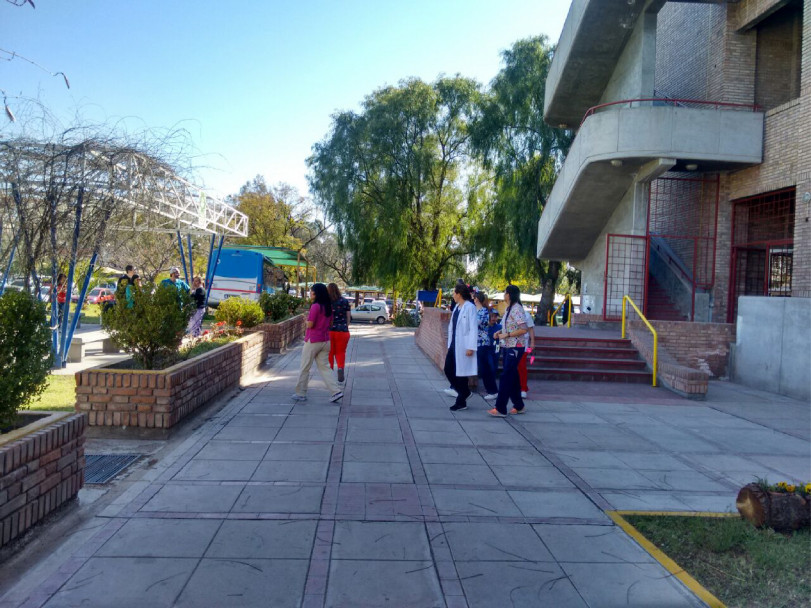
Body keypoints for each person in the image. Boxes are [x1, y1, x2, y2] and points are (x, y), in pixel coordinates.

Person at [293, 283, 344, 403]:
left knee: (305, 366)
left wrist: (306, 321)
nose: (310, 294)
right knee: (325, 368)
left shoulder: (315, 306)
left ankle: (301, 393)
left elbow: (311, 324)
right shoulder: (328, 306)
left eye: (312, 292)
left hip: (313, 341)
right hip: (325, 341)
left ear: (317, 293)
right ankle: (336, 391)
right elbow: (331, 324)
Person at [489, 284, 529, 417]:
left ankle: (500, 408)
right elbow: (509, 327)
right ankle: (519, 405)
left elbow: (524, 329)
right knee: (512, 376)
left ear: (510, 295)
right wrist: (500, 332)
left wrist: (507, 335)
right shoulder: (509, 309)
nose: (503, 295)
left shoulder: (517, 309)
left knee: (506, 376)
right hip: (507, 346)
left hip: (515, 347)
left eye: (505, 293)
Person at [444, 283, 478, 412]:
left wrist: (470, 347)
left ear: (459, 294)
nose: (453, 295)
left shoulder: (470, 308)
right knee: (448, 369)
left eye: (454, 293)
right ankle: (465, 392)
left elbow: (473, 328)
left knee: (461, 374)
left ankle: (461, 401)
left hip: (464, 346)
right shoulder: (457, 307)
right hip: (454, 345)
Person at [474, 292, 498, 400]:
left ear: (477, 299)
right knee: (483, 367)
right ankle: (491, 390)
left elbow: (476, 323)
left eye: (474, 298)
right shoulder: (475, 310)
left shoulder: (483, 311)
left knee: (484, 368)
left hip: (482, 342)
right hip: (476, 342)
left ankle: (492, 390)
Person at [327, 283, 351, 383]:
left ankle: (329, 373)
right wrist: (345, 326)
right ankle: (340, 368)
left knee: (330, 352)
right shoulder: (345, 301)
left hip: (330, 331)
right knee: (341, 352)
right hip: (343, 331)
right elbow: (348, 317)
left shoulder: (326, 302)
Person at [518, 306, 536, 399]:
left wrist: (532, 342)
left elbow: (530, 329)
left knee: (521, 366)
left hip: (523, 344)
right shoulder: (508, 312)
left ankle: (523, 388)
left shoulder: (526, 314)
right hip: (510, 343)